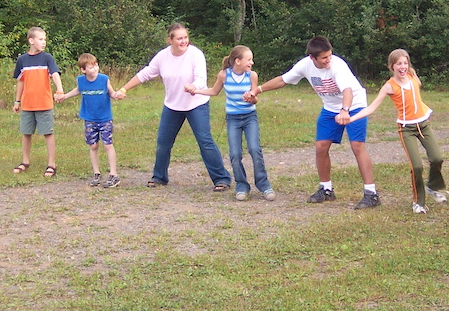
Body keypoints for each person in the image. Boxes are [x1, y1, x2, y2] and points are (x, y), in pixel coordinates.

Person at [246, 36, 380, 210]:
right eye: (324, 58)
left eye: (329, 56)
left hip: (354, 105)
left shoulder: (337, 65)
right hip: (331, 108)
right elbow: (283, 80)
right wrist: (258, 89)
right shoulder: (305, 65)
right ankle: (326, 189)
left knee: (357, 146)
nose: (328, 60)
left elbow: (348, 90)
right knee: (321, 147)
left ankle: (371, 194)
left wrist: (345, 110)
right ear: (313, 58)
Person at [115, 23, 233, 191]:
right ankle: (159, 177)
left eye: (185, 37)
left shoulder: (195, 54)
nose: (183, 41)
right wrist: (124, 88)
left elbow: (201, 78)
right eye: (179, 38)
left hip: (196, 104)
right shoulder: (162, 56)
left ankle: (222, 179)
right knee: (163, 143)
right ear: (170, 40)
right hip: (173, 106)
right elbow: (145, 73)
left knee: (205, 141)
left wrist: (194, 86)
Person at [346, 49, 447, 214]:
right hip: (406, 128)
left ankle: (433, 186)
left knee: (437, 158)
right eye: (399, 64)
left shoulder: (414, 77)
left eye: (405, 63)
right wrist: (351, 118)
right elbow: (371, 107)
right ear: (392, 66)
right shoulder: (389, 86)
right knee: (417, 166)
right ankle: (418, 202)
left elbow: (416, 94)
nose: (403, 67)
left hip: (423, 125)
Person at [187, 45, 275, 202]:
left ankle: (264, 184)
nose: (252, 62)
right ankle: (241, 185)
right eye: (249, 59)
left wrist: (251, 97)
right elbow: (214, 91)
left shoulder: (252, 75)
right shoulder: (224, 75)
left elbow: (255, 97)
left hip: (250, 117)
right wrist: (196, 91)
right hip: (233, 119)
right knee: (235, 154)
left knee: (255, 149)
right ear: (238, 61)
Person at [57, 53, 122, 188]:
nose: (95, 69)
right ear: (83, 70)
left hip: (104, 118)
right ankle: (96, 173)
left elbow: (111, 93)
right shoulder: (81, 80)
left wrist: (117, 95)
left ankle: (114, 174)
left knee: (108, 145)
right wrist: (65, 96)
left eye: (96, 65)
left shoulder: (104, 79)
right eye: (91, 67)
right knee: (93, 146)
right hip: (89, 119)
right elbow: (78, 90)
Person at [12, 27, 64, 178]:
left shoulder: (47, 58)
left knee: (47, 133)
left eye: (45, 40)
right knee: (26, 132)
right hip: (27, 104)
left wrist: (59, 90)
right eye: (41, 39)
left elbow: (55, 74)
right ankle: (25, 162)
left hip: (44, 103)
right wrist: (17, 101)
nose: (43, 42)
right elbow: (20, 81)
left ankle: (51, 164)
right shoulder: (22, 60)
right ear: (31, 40)